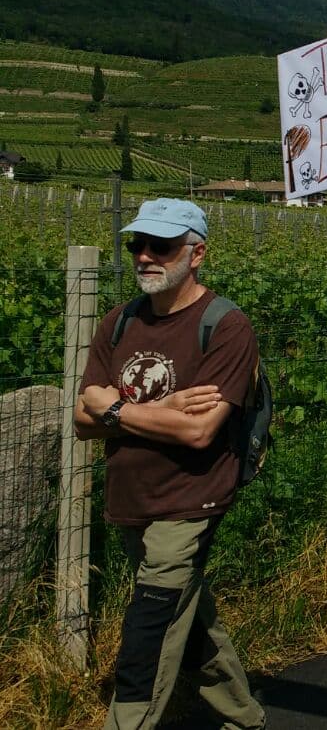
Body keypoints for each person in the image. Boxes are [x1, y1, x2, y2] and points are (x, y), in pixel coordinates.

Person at [72, 198, 266, 730]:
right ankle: (244, 719)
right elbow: (80, 420)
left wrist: (113, 406)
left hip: (190, 499)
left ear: (196, 253)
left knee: (150, 626)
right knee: (187, 611)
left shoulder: (225, 326)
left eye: (161, 246)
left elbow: (199, 431)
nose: (144, 257)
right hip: (132, 499)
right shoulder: (120, 322)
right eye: (137, 245)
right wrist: (156, 411)